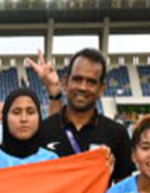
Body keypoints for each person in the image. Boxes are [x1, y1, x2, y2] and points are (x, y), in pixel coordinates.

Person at [29, 48, 133, 180]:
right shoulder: (42, 131)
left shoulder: (117, 134)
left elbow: (123, 190)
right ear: (66, 83)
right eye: (77, 79)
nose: (83, 87)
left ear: (101, 89)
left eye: (91, 82)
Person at [0, 89, 58, 172]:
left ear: (39, 117)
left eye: (30, 112)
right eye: (16, 112)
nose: (24, 119)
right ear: (5, 118)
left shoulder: (52, 162)